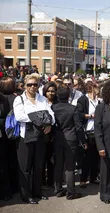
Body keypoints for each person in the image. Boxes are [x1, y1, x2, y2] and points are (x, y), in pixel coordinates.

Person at [13, 73, 55, 204]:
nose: (32, 87)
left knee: (38, 166)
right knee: (25, 167)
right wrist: (41, 117)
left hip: (41, 137)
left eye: (35, 84)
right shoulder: (19, 99)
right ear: (24, 85)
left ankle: (37, 192)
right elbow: (20, 117)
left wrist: (48, 123)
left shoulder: (42, 99)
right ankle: (26, 194)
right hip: (25, 137)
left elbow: (51, 115)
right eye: (29, 84)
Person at [52, 85, 86, 200]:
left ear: (57, 95)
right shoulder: (73, 108)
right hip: (70, 138)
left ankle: (58, 190)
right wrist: (83, 140)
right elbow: (79, 127)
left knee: (58, 165)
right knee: (70, 167)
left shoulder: (53, 107)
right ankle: (71, 192)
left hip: (57, 138)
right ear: (69, 96)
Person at [77, 81, 100, 188]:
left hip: (97, 132)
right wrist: (91, 116)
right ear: (91, 89)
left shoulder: (98, 101)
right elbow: (78, 115)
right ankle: (83, 179)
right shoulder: (83, 100)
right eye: (97, 88)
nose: (98, 90)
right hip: (87, 132)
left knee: (96, 157)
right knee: (86, 158)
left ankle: (94, 177)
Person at [42, 82, 58, 188]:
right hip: (42, 135)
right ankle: (42, 180)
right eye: (48, 91)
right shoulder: (41, 103)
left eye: (52, 91)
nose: (51, 93)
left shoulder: (58, 104)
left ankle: (51, 181)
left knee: (52, 160)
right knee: (42, 159)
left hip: (54, 136)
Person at [0, 93, 11, 200]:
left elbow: (7, 117)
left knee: (3, 165)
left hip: (2, 138)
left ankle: (6, 192)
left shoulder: (3, 99)